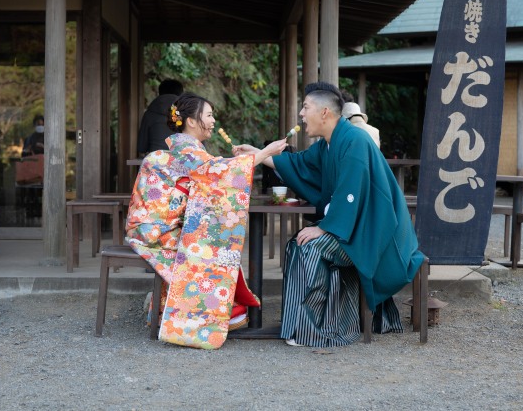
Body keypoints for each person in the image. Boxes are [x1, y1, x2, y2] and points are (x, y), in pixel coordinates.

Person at [234, 82, 425, 347]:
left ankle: (319, 330)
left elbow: (351, 193)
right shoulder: (328, 144)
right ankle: (301, 327)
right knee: (297, 245)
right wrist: (258, 153)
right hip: (351, 226)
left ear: (325, 112)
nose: (301, 114)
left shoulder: (355, 140)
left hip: (372, 231)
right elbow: (298, 163)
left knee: (310, 247)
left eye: (305, 107)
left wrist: (325, 228)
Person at [125, 92, 288, 349]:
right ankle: (182, 317)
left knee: (210, 238)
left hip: (159, 225)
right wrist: (266, 152)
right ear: (191, 120)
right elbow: (220, 172)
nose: (213, 121)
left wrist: (240, 160)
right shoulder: (187, 151)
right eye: (209, 115)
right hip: (158, 232)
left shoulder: (186, 150)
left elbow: (217, 171)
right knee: (207, 247)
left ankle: (166, 307)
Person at [136, 79, 183, 156]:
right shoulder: (189, 114)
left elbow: (141, 147)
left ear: (160, 93)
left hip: (156, 162)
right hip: (182, 162)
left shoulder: (149, 114)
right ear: (181, 95)